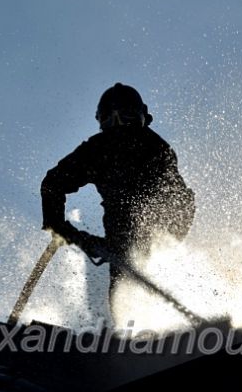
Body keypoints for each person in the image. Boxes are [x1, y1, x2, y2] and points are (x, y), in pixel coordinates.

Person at [41, 83, 195, 322]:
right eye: (110, 119)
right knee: (122, 293)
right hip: (119, 237)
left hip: (159, 232)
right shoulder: (98, 149)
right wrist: (58, 225)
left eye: (126, 116)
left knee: (149, 263)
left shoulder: (155, 149)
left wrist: (165, 241)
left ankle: (178, 328)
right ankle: (128, 340)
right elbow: (53, 183)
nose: (119, 125)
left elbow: (180, 202)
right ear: (101, 122)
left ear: (143, 117)